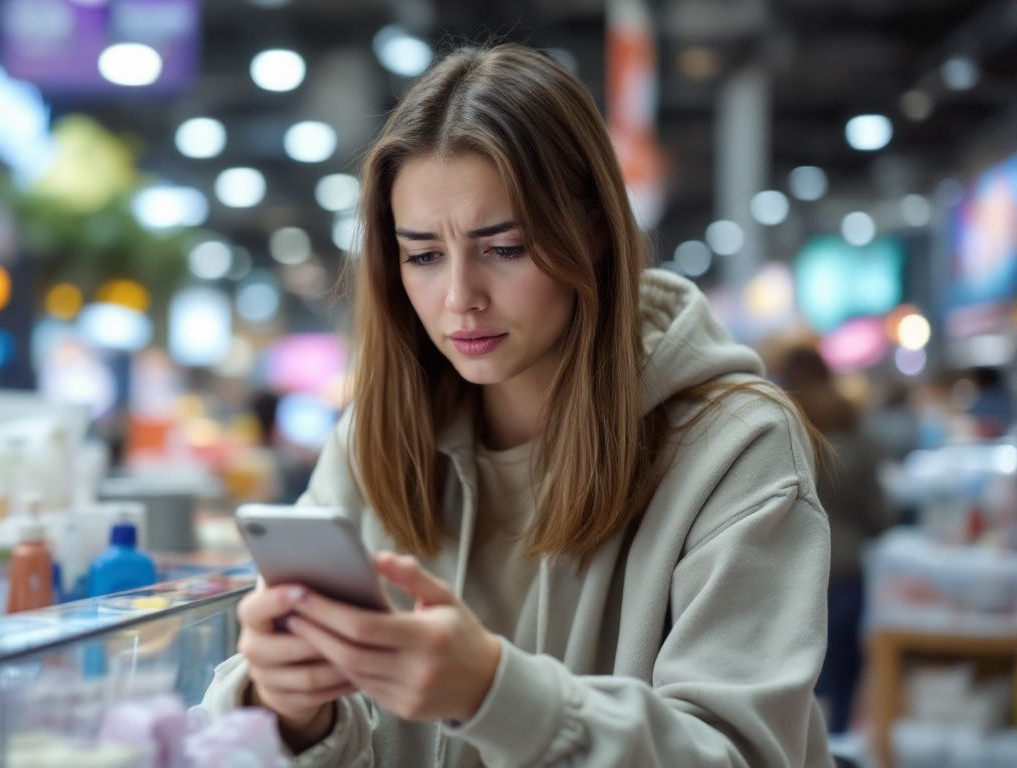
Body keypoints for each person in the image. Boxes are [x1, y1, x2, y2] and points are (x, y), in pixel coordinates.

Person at [201, 44, 833, 767]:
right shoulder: (372, 441)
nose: (459, 298)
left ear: (593, 231)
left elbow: (741, 755)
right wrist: (284, 707)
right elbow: (261, 722)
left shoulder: (735, 446)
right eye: (423, 256)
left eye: (503, 248)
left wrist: (494, 694)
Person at [778, 346, 891, 736]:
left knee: (799, 678)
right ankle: (837, 748)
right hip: (845, 569)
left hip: (791, 571)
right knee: (844, 676)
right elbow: (878, 515)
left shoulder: (778, 427)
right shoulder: (854, 431)